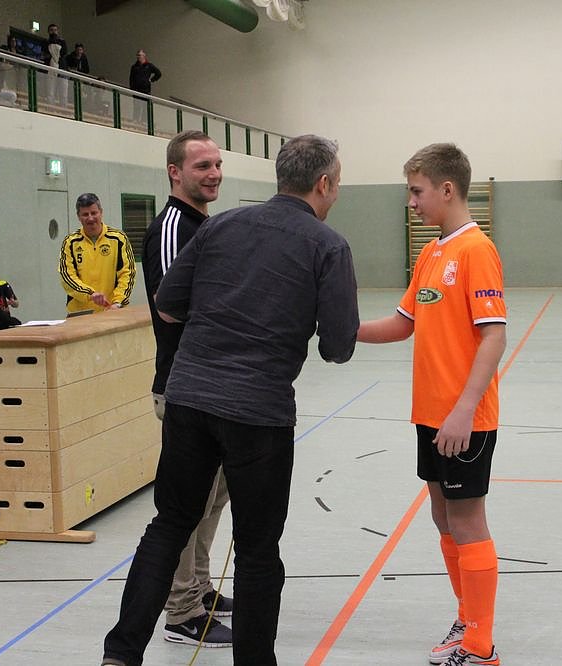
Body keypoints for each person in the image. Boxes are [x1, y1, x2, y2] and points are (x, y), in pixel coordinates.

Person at [101, 134, 359, 666]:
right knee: (257, 550)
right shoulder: (328, 246)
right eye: (337, 185)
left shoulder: (221, 226)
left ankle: (121, 654)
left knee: (168, 525)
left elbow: (168, 304)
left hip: (189, 399)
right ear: (324, 184)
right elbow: (338, 347)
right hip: (258, 412)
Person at [357, 143, 505, 666]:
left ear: (447, 188)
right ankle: (467, 619)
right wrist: (342, 330)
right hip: (430, 415)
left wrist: (464, 408)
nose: (412, 203)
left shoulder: (476, 250)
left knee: (467, 520)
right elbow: (403, 324)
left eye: (417, 192)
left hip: (464, 418)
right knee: (444, 519)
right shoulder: (431, 253)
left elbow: (493, 337)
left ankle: (480, 645)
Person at [142, 130, 232, 649]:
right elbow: (171, 304)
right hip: (185, 388)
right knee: (187, 505)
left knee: (213, 498)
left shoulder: (205, 223)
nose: (214, 173)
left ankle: (198, 588)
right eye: (202, 166)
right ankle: (180, 611)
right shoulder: (174, 225)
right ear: (175, 173)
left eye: (217, 164)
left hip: (214, 388)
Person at [58, 193, 135, 314]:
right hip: (80, 313)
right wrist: (90, 294)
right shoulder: (70, 242)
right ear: (78, 216)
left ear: (101, 212)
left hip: (111, 310)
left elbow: (128, 273)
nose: (90, 218)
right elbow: (67, 276)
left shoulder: (118, 239)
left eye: (94, 213)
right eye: (85, 214)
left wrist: (117, 302)